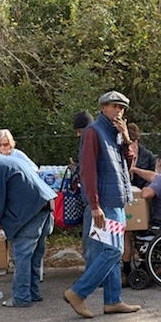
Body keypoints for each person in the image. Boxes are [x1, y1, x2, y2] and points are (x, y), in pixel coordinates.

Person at [63, 90, 141, 318]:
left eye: (122, 108)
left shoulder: (114, 133)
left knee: (104, 253)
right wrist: (95, 205)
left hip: (114, 201)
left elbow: (127, 167)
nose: (119, 111)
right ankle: (78, 293)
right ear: (103, 108)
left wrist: (126, 140)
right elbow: (87, 170)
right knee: (114, 250)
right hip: (104, 205)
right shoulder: (93, 132)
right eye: (114, 106)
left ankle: (113, 300)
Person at [0, 143, 56, 307]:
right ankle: (33, 293)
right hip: (44, 207)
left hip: (30, 213)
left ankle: (21, 297)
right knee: (35, 256)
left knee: (22, 255)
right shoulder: (7, 160)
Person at [121, 123, 156, 282]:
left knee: (141, 232)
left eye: (132, 143)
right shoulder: (121, 154)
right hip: (126, 198)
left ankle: (144, 264)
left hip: (143, 199)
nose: (131, 147)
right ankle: (126, 267)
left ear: (137, 141)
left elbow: (154, 179)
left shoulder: (147, 155)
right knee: (126, 233)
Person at [72, 110, 94, 264]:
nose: (78, 135)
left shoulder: (87, 137)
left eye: (78, 131)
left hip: (91, 200)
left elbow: (87, 168)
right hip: (97, 199)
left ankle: (90, 278)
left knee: (89, 240)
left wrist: (75, 170)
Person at [127, 123, 156, 189]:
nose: (129, 148)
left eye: (131, 144)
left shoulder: (148, 156)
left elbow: (155, 177)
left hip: (144, 192)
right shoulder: (120, 154)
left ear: (136, 141)